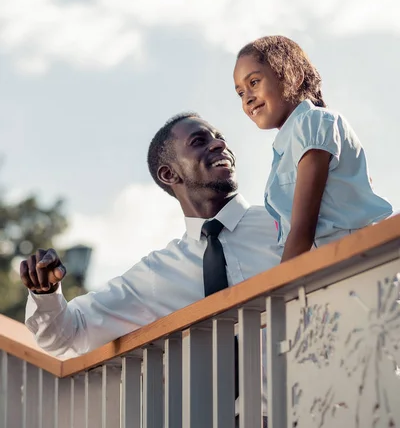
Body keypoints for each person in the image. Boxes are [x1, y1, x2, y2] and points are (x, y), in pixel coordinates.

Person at [21, 112, 280, 426]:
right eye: (200, 141)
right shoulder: (155, 276)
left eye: (218, 137)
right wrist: (46, 293)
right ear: (169, 174)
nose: (220, 144)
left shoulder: (286, 223)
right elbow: (66, 335)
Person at [233, 35, 393, 263]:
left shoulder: (313, 122)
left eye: (254, 82)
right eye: (240, 93)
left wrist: (282, 291)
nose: (247, 98)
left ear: (294, 77)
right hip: (325, 271)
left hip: (351, 266)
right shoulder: (283, 150)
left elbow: (302, 229)